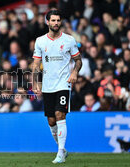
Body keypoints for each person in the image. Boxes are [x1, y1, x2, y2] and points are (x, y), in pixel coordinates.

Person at [32, 10, 82, 164]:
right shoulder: (40, 41)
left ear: (61, 22)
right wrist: (35, 82)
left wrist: (74, 72)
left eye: (58, 20)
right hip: (47, 85)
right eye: (53, 20)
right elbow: (35, 64)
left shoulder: (69, 40)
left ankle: (60, 152)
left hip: (63, 84)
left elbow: (78, 60)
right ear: (47, 22)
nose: (55, 23)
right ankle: (63, 150)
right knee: (51, 121)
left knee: (60, 115)